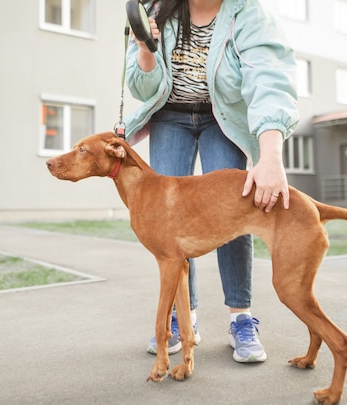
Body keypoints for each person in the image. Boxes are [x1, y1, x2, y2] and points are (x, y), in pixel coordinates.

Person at [123, 0, 299, 362]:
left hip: (224, 118)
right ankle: (183, 318)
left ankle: (241, 318)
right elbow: (142, 89)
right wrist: (145, 49)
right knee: (169, 224)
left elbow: (269, 79)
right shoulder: (154, 9)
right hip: (169, 117)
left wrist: (271, 156)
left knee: (233, 217)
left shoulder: (248, 12)